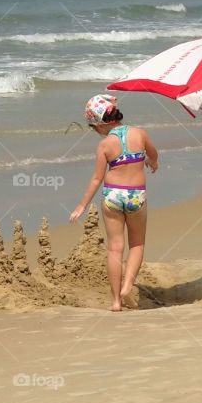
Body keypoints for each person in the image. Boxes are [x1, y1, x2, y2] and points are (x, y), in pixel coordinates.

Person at [69, 95, 159, 311]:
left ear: (101, 123)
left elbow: (96, 178)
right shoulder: (140, 133)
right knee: (137, 244)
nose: (95, 130)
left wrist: (81, 206)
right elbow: (154, 154)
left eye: (93, 126)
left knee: (115, 248)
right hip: (136, 195)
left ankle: (116, 301)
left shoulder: (105, 145)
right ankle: (127, 287)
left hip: (112, 196)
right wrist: (151, 162)